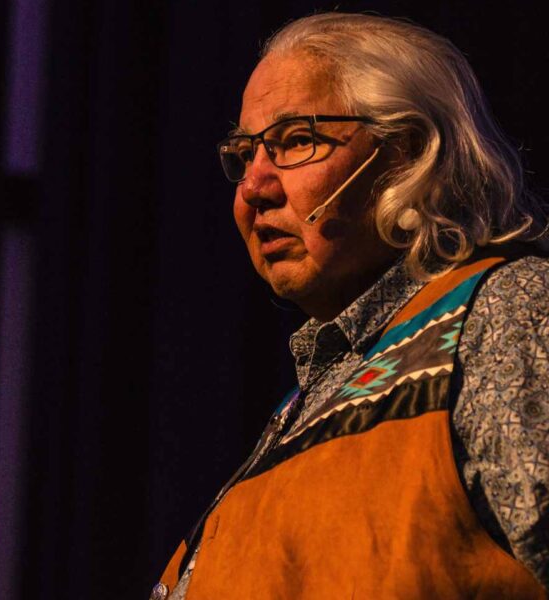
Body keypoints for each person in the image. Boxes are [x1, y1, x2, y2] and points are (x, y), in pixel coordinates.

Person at [151, 12, 549, 600]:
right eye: (244, 152)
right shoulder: (305, 401)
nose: (253, 187)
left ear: (408, 155)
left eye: (297, 140)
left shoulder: (507, 312)